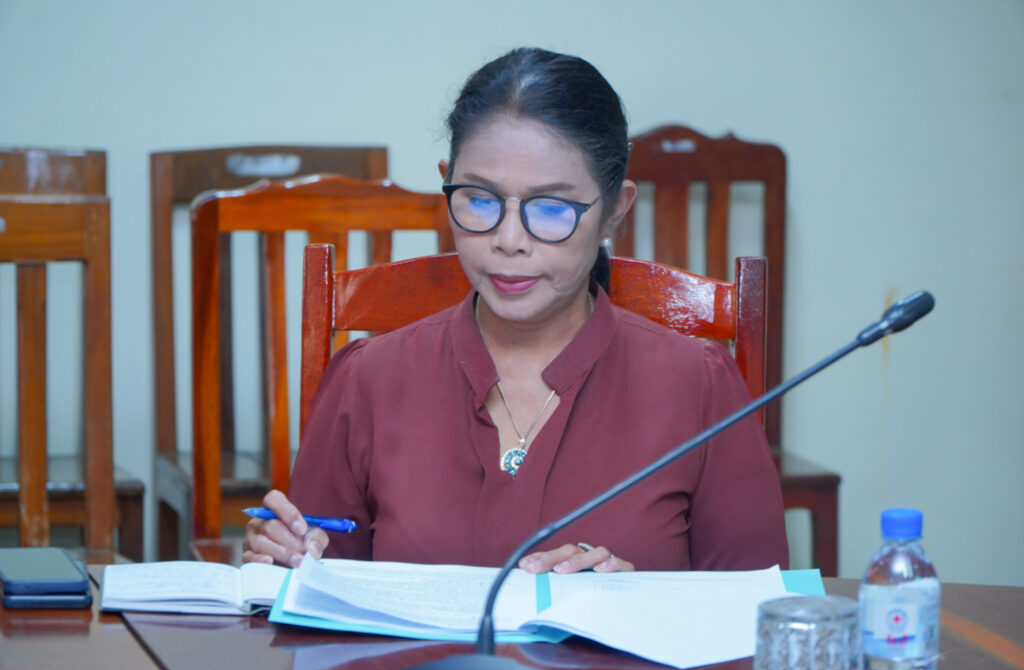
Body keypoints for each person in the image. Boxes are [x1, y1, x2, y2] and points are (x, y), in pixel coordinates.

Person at [243, 47, 788, 574]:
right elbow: (314, 590)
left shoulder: (698, 387)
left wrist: (635, 605)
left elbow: (757, 613)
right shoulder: (368, 379)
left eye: (551, 207)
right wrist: (284, 558)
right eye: (479, 199)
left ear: (614, 210)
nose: (508, 240)